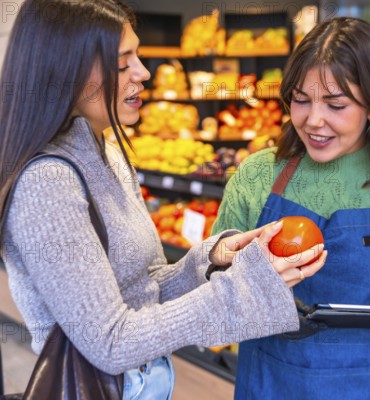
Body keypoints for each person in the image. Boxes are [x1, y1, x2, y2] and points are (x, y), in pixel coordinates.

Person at [0, 1, 325, 399]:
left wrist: (212, 260)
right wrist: (243, 290)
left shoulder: (110, 155)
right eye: (123, 64)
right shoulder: (47, 183)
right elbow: (111, 342)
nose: (144, 72)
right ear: (65, 71)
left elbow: (145, 288)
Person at [212, 17, 370, 399]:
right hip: (267, 385)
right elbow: (213, 280)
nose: (313, 121)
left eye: (336, 104)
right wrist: (262, 304)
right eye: (300, 99)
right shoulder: (258, 176)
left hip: (364, 388)